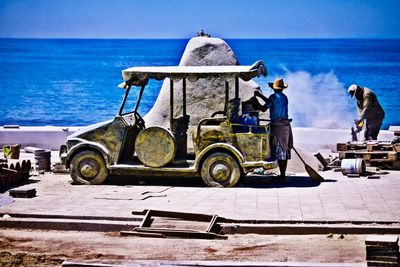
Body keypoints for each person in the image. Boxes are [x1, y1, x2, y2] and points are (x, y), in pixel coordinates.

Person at [253, 78, 293, 182]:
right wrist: (261, 96)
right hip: (286, 126)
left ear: (274, 89)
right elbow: (272, 103)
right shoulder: (284, 97)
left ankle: (283, 176)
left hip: (278, 126)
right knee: (284, 150)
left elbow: (263, 108)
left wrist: (256, 102)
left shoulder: (272, 97)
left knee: (280, 151)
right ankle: (283, 175)